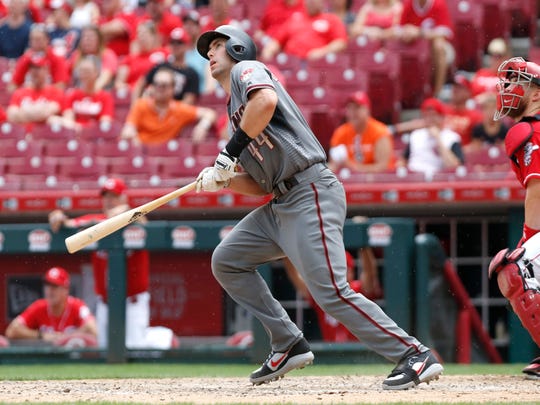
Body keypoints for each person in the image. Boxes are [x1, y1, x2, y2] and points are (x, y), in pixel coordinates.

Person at [194, 24, 443, 389]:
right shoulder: (233, 112)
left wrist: (229, 152)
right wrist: (225, 178)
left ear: (237, 49)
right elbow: (260, 183)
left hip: (310, 189)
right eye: (208, 49)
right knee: (227, 260)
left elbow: (264, 101)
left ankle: (414, 354)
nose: (211, 53)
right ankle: (288, 342)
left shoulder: (249, 71)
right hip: (280, 201)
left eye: (217, 45)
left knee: (330, 290)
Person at [48, 177, 177, 350]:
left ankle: (163, 337)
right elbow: (68, 224)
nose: (109, 201)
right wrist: (57, 217)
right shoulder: (96, 221)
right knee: (106, 350)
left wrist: (127, 212)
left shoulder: (136, 217)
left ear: (124, 198)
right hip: (105, 302)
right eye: (106, 197)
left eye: (114, 197)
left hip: (133, 301)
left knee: (134, 348)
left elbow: (143, 223)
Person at [488, 56, 540, 379]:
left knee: (513, 267)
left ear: (536, 94)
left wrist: (529, 239)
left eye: (517, 82)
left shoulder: (530, 130)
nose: (508, 89)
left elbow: (537, 189)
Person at [284, 248, 383, 342]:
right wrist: (285, 252)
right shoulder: (323, 292)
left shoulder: (358, 290)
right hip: (332, 354)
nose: (338, 274)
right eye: (334, 270)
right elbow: (295, 276)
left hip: (358, 353)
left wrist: (363, 244)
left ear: (351, 272)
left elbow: (370, 273)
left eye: (343, 269)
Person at [5, 267, 98, 347]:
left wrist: (68, 337)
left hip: (72, 358)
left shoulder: (77, 305)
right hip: (46, 360)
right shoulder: (39, 306)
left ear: (66, 290)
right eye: (47, 285)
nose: (49, 290)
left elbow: (93, 329)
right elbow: (12, 331)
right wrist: (41, 335)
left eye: (54, 286)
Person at [120, 67, 216, 145]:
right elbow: (128, 129)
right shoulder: (141, 105)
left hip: (166, 156)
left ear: (173, 88)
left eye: (164, 85)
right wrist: (131, 135)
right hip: (143, 155)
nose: (159, 88)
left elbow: (210, 114)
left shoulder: (179, 109)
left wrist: (203, 126)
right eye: (156, 84)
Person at [392, 0, 454, 97]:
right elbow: (398, 29)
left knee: (439, 45)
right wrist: (407, 32)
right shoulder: (409, 4)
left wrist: (420, 33)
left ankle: (438, 92)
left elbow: (445, 32)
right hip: (415, 48)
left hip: (438, 50)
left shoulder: (438, 4)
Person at [327, 91, 395, 174]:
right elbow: (333, 165)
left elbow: (383, 168)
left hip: (377, 182)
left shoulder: (380, 132)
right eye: (350, 108)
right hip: (350, 182)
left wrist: (352, 167)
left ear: (367, 110)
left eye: (357, 108)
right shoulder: (340, 132)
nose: (353, 112)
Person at [398, 97, 464, 180]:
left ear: (442, 117)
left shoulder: (452, 137)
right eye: (426, 115)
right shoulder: (416, 135)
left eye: (433, 115)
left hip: (439, 179)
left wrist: (438, 139)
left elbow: (454, 167)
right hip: (414, 177)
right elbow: (403, 160)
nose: (430, 119)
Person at [260, 0, 348, 62]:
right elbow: (277, 41)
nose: (311, 2)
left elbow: (340, 43)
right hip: (291, 62)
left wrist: (322, 52)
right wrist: (269, 51)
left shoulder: (331, 19)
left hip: (315, 63)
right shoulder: (295, 18)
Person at [134, 27, 200, 105]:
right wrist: (135, 106)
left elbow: (188, 102)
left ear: (186, 46)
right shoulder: (160, 66)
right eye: (172, 42)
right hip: (156, 110)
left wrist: (168, 111)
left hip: (177, 114)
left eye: (179, 43)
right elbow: (140, 85)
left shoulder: (192, 73)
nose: (175, 46)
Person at [48, 55, 114, 132]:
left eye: (87, 71)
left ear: (96, 72)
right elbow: (68, 119)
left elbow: (105, 123)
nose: (84, 75)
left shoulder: (105, 97)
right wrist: (77, 127)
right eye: (81, 71)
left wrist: (84, 129)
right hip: (75, 134)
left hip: (95, 137)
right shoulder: (71, 94)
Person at [6, 54, 64, 130]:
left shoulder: (56, 92)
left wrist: (23, 113)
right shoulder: (19, 92)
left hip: (46, 136)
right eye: (32, 68)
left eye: (38, 68)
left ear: (46, 70)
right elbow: (11, 115)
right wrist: (44, 117)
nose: (35, 72)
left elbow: (51, 111)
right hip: (24, 135)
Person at [10, 22, 70, 92]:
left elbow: (61, 86)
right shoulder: (25, 58)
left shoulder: (57, 58)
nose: (36, 42)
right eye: (33, 39)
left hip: (49, 98)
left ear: (47, 40)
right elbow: (13, 85)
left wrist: (40, 92)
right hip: (28, 98)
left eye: (39, 39)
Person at [68, 24, 118, 92]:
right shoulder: (76, 55)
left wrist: (89, 94)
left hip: (101, 93)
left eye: (91, 37)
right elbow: (69, 79)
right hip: (78, 95)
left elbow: (105, 78)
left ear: (99, 40)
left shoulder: (108, 55)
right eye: (84, 37)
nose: (87, 40)